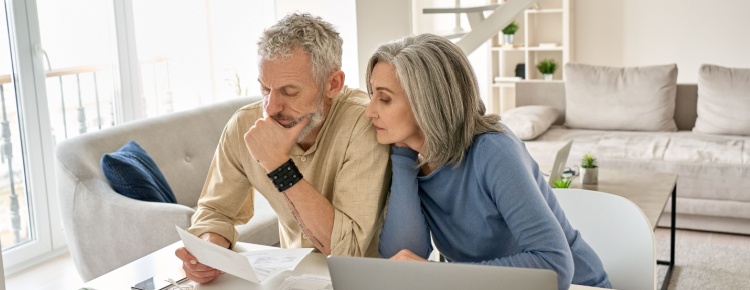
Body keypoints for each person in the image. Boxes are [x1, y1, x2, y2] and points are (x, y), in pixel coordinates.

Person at [366, 33, 611, 290]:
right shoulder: (416, 160)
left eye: (384, 99)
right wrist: (403, 157)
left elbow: (554, 266)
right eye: (372, 95)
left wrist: (439, 275)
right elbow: (401, 258)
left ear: (427, 102)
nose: (369, 110)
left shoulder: (493, 151)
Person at [175, 13, 391, 284]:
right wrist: (209, 250)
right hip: (292, 279)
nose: (271, 107)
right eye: (266, 89)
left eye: (289, 92)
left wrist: (279, 166)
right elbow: (215, 212)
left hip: (364, 281)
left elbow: (345, 250)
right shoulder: (245, 124)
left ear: (332, 84)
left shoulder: (365, 123)